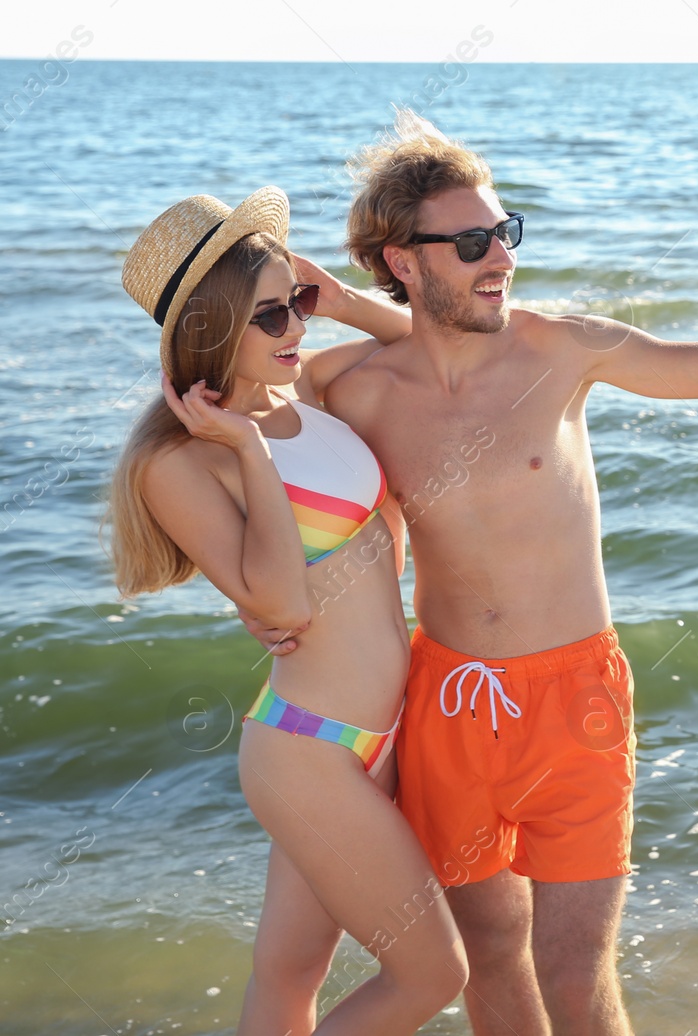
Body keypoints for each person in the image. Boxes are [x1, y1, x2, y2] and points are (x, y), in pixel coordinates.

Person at [244, 112, 698, 1036]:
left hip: (575, 701)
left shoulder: (562, 351)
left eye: (505, 233)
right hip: (446, 704)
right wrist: (257, 598)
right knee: (489, 963)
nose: (502, 259)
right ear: (403, 259)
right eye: (475, 242)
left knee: (571, 973)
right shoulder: (353, 389)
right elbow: (259, 461)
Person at [108, 187, 468, 1034]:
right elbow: (279, 599)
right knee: (433, 974)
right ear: (212, 328)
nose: (297, 331)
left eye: (297, 303)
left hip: (383, 734)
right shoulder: (184, 459)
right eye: (271, 317)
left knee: (288, 975)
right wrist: (247, 448)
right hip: (309, 752)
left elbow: (438, 350)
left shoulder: (307, 396)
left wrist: (343, 300)